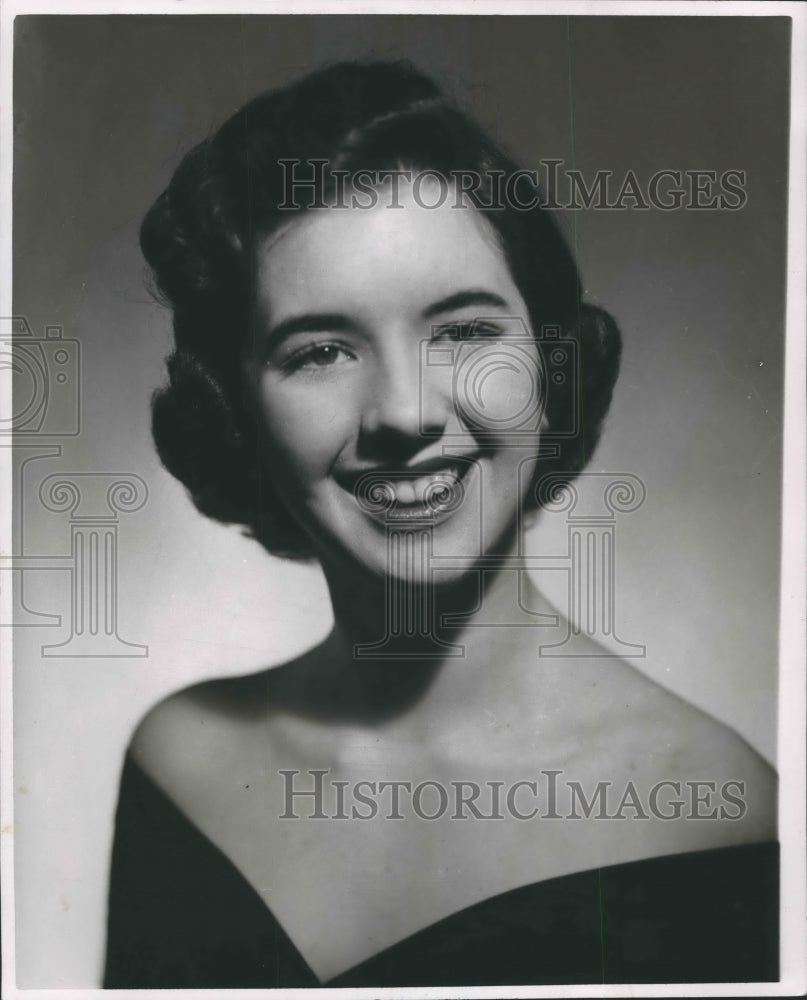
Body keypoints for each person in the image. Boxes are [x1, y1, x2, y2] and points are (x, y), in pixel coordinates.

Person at [103, 60, 778, 988]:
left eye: (462, 332)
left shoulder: (714, 816)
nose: (403, 413)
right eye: (322, 350)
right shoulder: (182, 765)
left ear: (548, 366)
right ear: (237, 414)